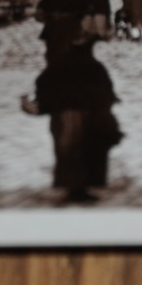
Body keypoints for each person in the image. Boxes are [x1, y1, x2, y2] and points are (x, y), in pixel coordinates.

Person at [30, 40, 122, 204]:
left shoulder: (58, 66)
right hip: (86, 116)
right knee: (85, 151)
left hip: (63, 116)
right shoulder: (94, 67)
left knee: (69, 152)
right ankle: (81, 188)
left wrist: (44, 104)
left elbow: (43, 84)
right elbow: (105, 91)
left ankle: (73, 187)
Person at [35, 0, 86, 64]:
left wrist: (49, 20)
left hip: (51, 30)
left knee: (52, 54)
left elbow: (38, 15)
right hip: (70, 30)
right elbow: (84, 14)